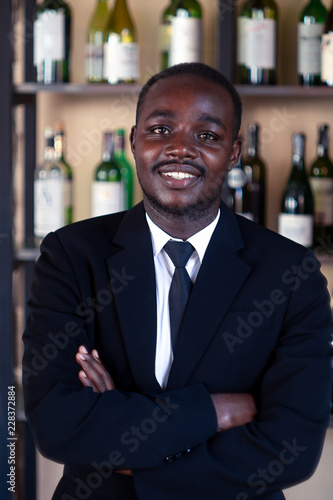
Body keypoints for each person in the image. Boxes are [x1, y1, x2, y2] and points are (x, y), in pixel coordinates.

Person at [22, 62, 332, 500]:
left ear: (234, 153)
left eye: (207, 136)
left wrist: (126, 454)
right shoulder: (70, 255)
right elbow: (55, 424)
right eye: (161, 129)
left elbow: (291, 448)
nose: (181, 149)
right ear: (133, 141)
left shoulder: (291, 273)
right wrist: (213, 410)